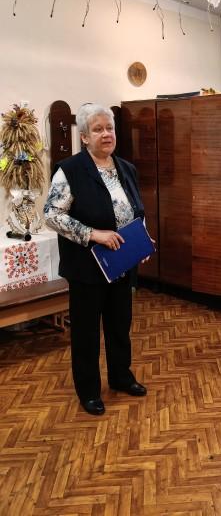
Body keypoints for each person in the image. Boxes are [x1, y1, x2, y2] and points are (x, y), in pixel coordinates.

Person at [44, 103, 148, 415]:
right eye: (98, 129)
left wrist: (143, 240)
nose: (106, 134)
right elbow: (52, 215)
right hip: (86, 266)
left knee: (119, 325)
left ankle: (121, 377)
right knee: (86, 332)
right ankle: (89, 391)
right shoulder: (70, 170)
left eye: (110, 128)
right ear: (85, 137)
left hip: (121, 263)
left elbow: (135, 211)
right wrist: (94, 234)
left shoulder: (126, 169)